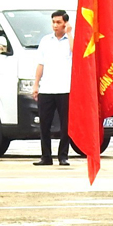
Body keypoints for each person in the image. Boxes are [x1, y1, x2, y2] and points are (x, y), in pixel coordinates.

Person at [32, 10, 73, 166]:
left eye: (59, 22)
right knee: (44, 125)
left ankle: (63, 156)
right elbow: (40, 63)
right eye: (53, 22)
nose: (55, 25)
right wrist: (36, 84)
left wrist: (69, 34)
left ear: (65, 23)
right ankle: (46, 156)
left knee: (65, 125)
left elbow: (76, 53)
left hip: (65, 89)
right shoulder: (45, 40)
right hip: (47, 89)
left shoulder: (70, 40)